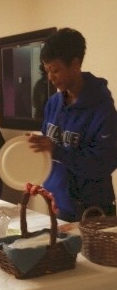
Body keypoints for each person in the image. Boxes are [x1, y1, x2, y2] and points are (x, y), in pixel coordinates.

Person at [28, 28, 117, 222]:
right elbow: (47, 152)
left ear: (75, 64)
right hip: (60, 206)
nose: (50, 77)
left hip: (92, 212)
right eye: (47, 70)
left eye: (55, 70)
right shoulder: (53, 103)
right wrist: (36, 177)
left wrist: (57, 150)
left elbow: (103, 164)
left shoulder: (102, 108)